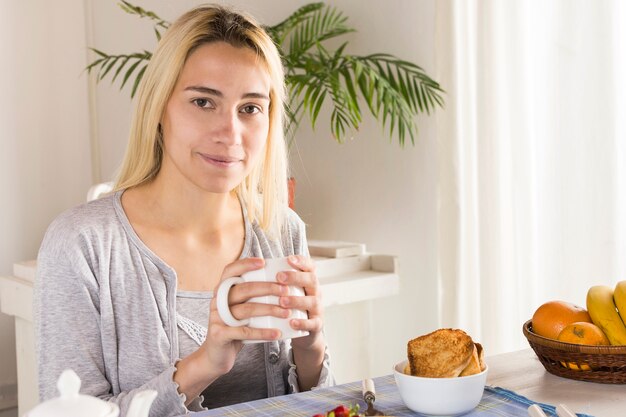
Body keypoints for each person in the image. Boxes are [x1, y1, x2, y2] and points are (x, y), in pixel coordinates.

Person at [33, 4, 333, 416]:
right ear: (160, 107)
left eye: (250, 108)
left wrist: (311, 349)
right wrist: (202, 365)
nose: (230, 133)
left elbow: (322, 405)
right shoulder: (83, 246)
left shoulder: (281, 230)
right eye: (203, 102)